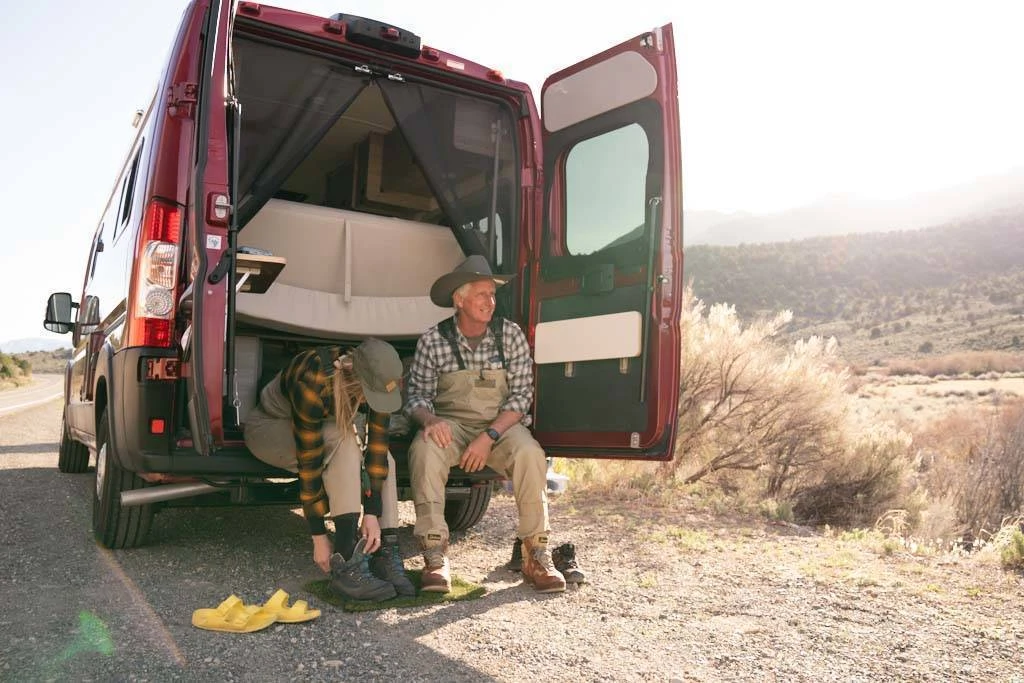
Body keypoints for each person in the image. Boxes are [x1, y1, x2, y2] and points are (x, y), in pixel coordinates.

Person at [404, 255, 566, 594]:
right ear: (459, 299)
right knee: (424, 449)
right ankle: (435, 556)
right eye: (481, 294)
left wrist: (489, 436)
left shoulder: (510, 335)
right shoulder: (433, 340)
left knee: (530, 453)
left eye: (492, 294)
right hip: (452, 426)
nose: (490, 302)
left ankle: (535, 553)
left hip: (501, 428)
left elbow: (521, 397)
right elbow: (416, 397)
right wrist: (430, 419)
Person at [244, 338, 414, 601]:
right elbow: (309, 463)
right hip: (271, 427)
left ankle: (384, 548)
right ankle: (345, 559)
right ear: (356, 379)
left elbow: (377, 448)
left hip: (328, 427)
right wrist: (318, 536)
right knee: (343, 440)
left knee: (386, 458)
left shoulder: (379, 378)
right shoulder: (313, 377)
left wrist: (372, 513)